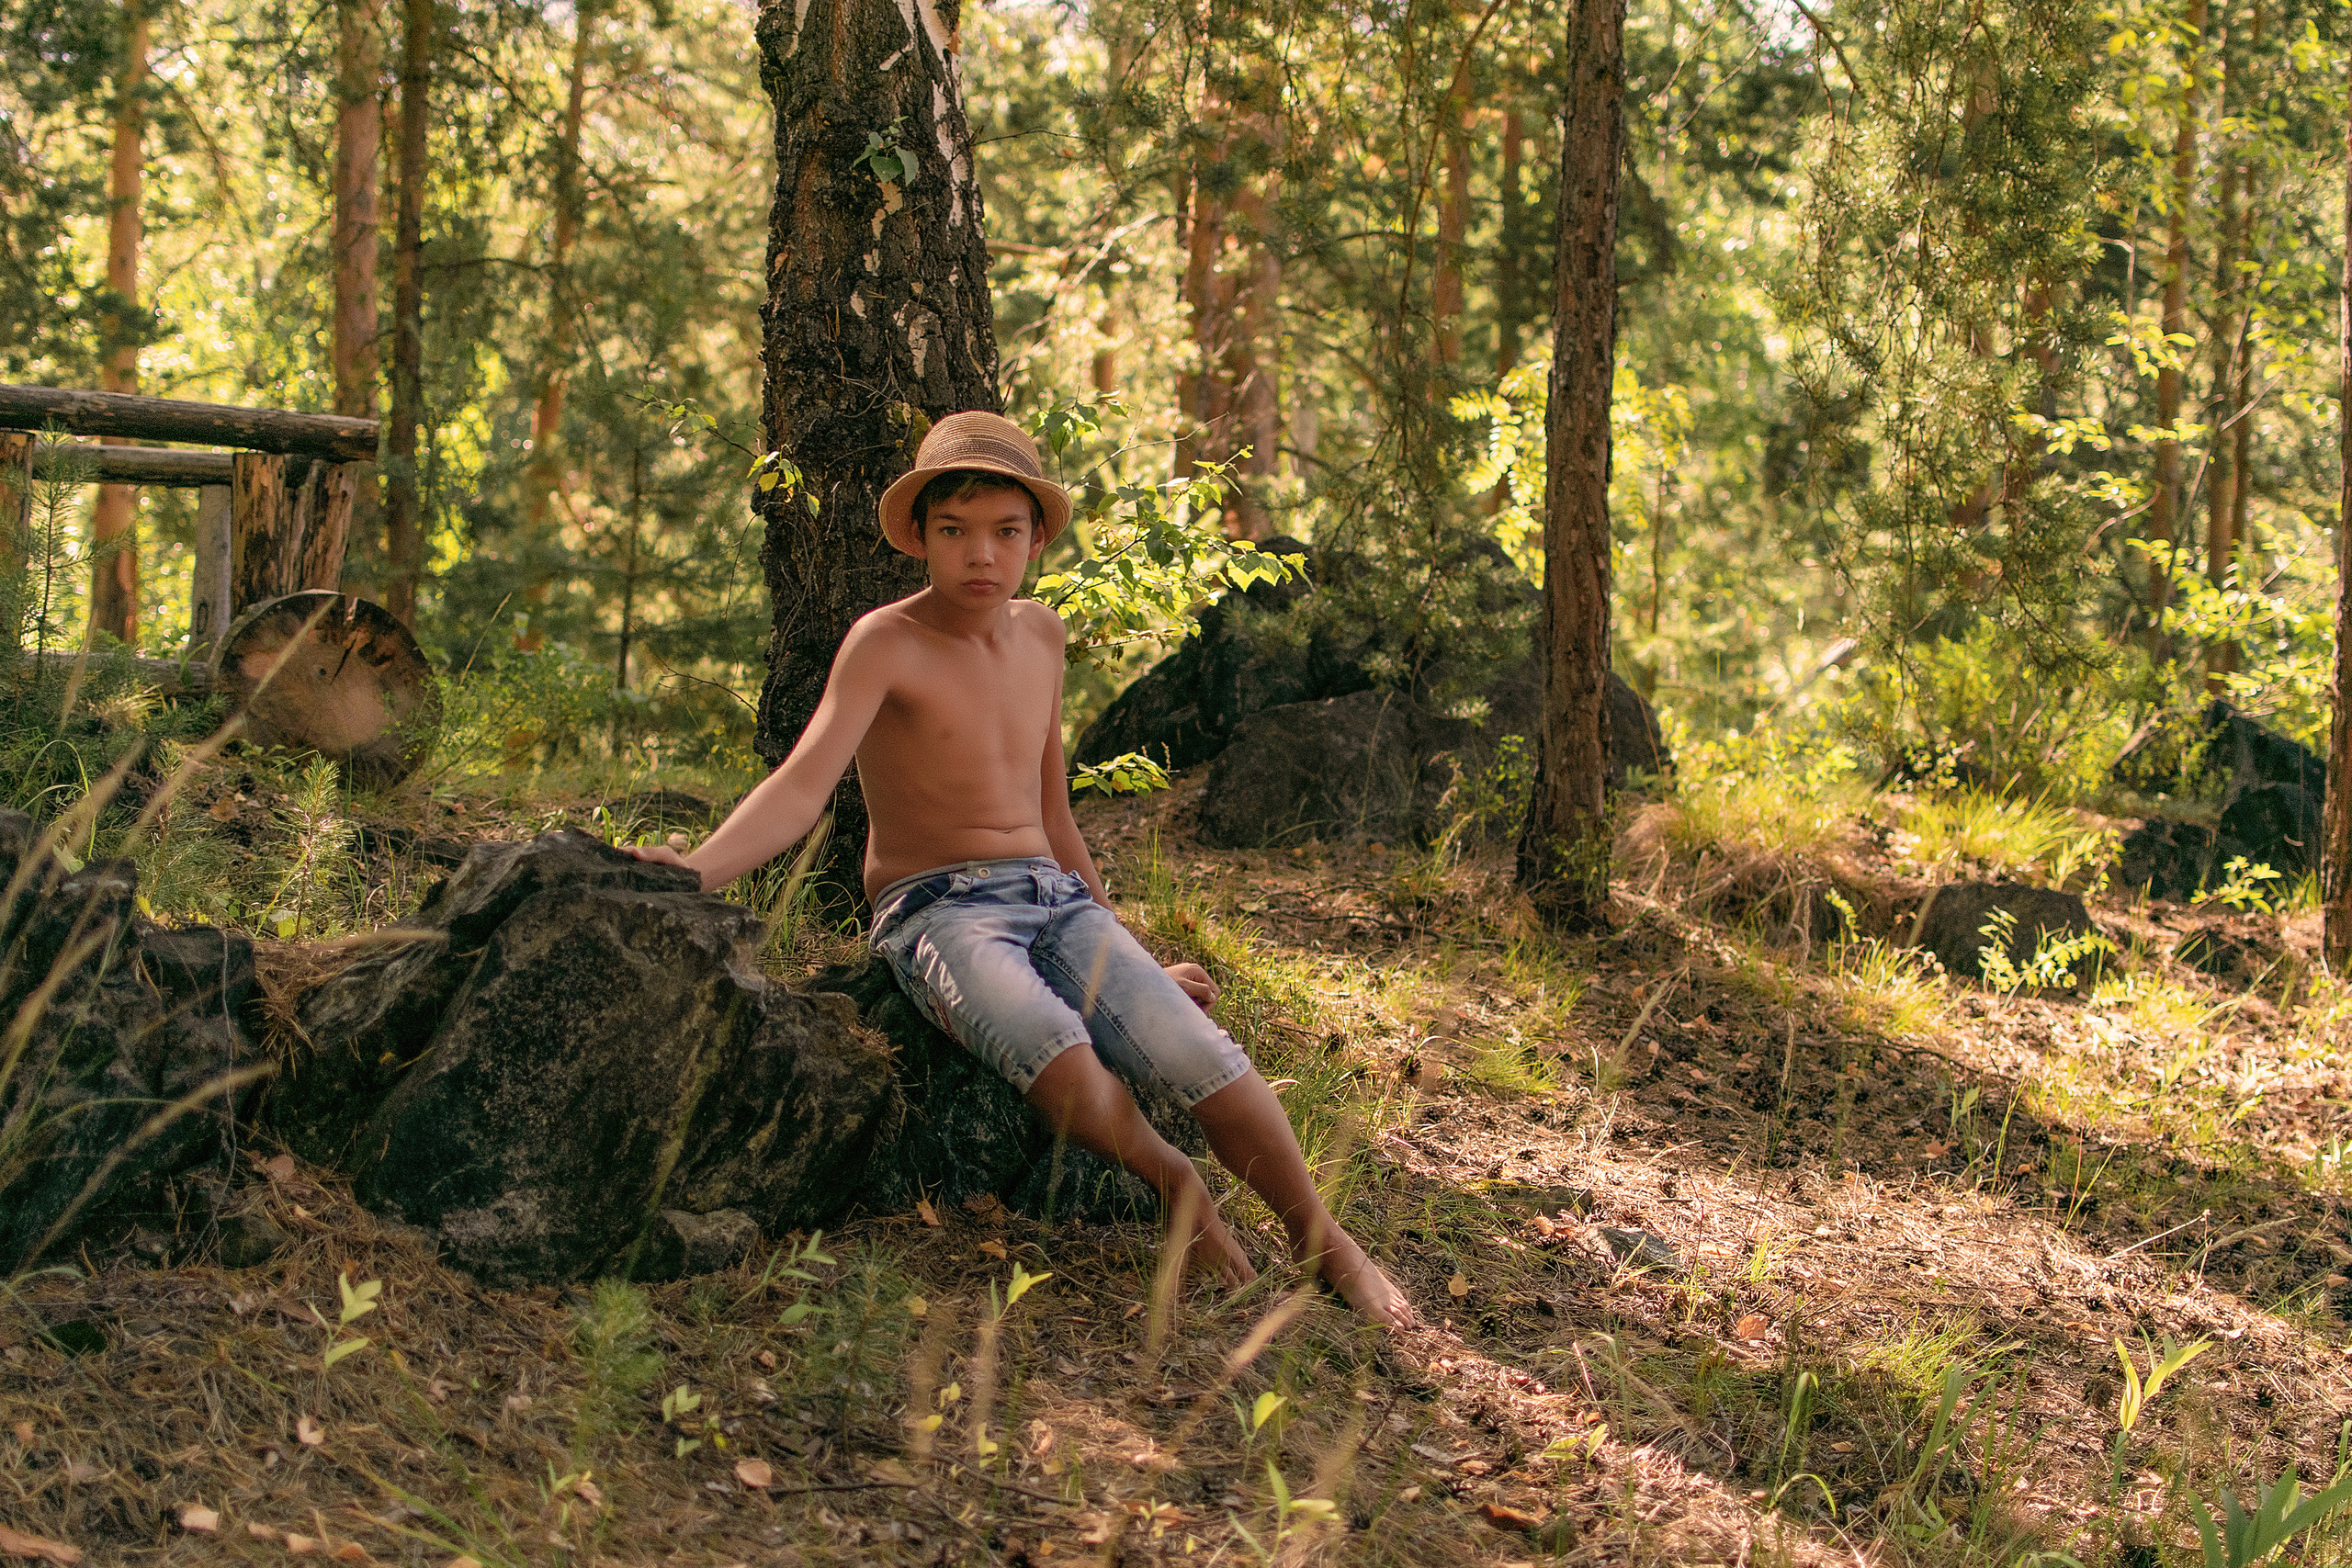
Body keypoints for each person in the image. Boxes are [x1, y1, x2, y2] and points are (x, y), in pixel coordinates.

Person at [625, 412, 1416, 1328]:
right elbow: (802, 787)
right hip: (938, 912)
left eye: (1005, 533)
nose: (980, 557)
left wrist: (1132, 951)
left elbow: (1052, 813)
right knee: (1053, 1044)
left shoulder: (1040, 635)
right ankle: (1173, 1187)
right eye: (954, 532)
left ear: (1036, 538)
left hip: (1056, 899)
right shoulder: (886, 641)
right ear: (918, 535)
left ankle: (1322, 1235)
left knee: (1198, 1053)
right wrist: (696, 872)